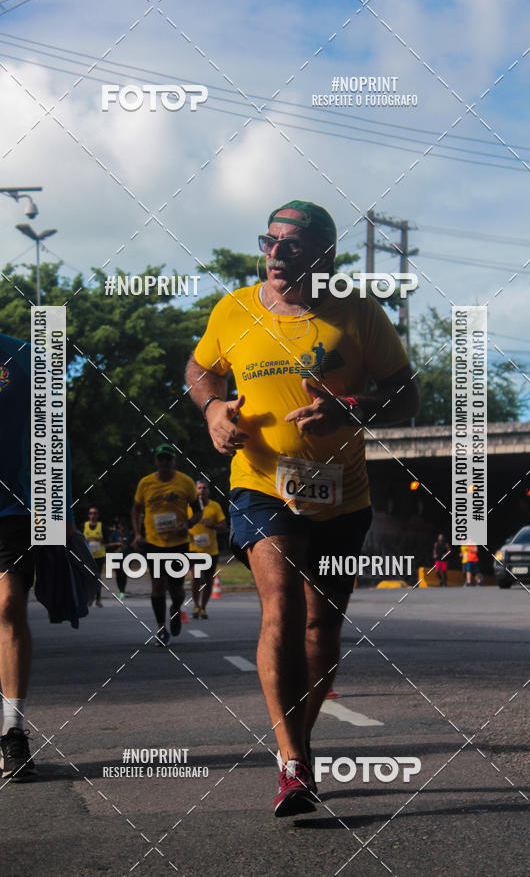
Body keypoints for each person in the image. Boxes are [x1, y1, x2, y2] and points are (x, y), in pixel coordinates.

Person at [185, 200, 420, 816]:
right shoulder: (232, 309)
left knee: (322, 627)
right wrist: (212, 408)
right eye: (269, 241)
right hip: (262, 484)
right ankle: (291, 764)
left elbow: (407, 395)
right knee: (282, 607)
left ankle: (301, 741)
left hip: (344, 495)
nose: (275, 254)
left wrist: (356, 408)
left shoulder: (359, 313)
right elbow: (200, 369)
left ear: (325, 255)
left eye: (290, 244)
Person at [0, 261, 74, 780]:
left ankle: (14, 732)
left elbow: (53, 436)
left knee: (8, 605)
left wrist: (58, 510)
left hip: (10, 510)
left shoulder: (26, 355)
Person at [131, 445, 201, 646]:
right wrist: (137, 533)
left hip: (178, 543)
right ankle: (161, 628)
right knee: (157, 585)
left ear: (174, 461)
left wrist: (187, 524)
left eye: (168, 459)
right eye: (161, 459)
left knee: (177, 590)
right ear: (156, 461)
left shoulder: (185, 482)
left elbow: (198, 512)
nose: (164, 463)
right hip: (154, 543)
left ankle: (176, 609)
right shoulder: (145, 483)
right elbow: (135, 510)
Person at [188, 480, 227, 619]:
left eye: (204, 488)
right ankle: (196, 605)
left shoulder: (214, 506)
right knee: (196, 578)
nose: (202, 490)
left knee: (209, 580)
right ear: (195, 491)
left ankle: (203, 607)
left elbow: (224, 526)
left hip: (211, 551)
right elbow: (183, 523)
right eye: (199, 488)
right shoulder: (189, 507)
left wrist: (213, 525)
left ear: (208, 491)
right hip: (194, 549)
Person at [82, 506, 107, 607]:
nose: (93, 515)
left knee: (97, 578)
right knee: (87, 577)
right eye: (91, 513)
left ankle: (98, 599)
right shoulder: (84, 526)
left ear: (98, 515)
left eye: (95, 513)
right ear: (88, 515)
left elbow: (109, 540)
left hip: (99, 556)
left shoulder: (102, 526)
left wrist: (102, 540)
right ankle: (89, 597)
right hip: (87, 556)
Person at [106, 516, 132, 599]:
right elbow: (108, 545)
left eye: (124, 525)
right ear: (119, 526)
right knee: (118, 574)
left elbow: (131, 545)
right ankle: (120, 590)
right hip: (116, 556)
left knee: (123, 574)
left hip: (126, 557)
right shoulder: (115, 533)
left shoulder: (129, 534)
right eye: (121, 525)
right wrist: (116, 544)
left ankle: (122, 591)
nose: (122, 527)